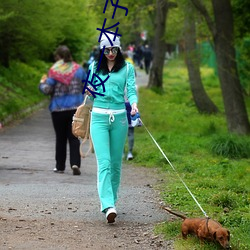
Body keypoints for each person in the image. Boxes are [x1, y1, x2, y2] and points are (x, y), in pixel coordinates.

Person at [85, 34, 138, 223]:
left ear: (119, 50)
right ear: (101, 51)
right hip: (98, 118)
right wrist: (88, 94)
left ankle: (112, 201)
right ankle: (107, 205)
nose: (110, 54)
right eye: (106, 50)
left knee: (116, 164)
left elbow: (131, 90)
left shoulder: (127, 68)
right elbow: (89, 97)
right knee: (104, 162)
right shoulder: (93, 67)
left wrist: (134, 104)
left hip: (120, 119)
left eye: (114, 50)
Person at [39, 45, 87, 175]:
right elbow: (87, 86)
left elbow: (47, 90)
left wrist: (42, 83)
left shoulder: (54, 71)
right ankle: (75, 163)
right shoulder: (79, 69)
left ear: (58, 57)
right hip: (75, 109)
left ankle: (60, 167)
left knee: (60, 138)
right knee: (74, 137)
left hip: (58, 109)